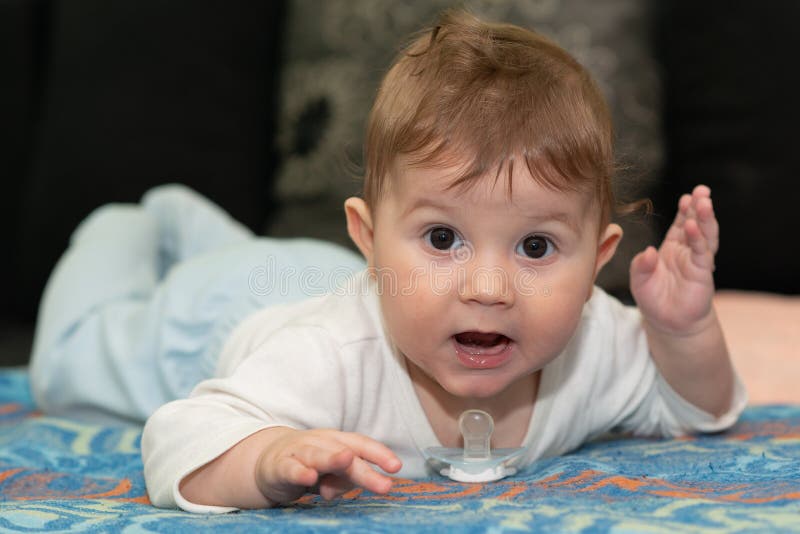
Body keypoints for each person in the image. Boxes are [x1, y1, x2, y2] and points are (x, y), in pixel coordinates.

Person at [31, 10, 746, 513]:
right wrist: (267, 457)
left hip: (335, 278)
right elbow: (178, 438)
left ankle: (194, 224)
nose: (488, 287)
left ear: (597, 262)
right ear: (369, 239)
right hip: (229, 310)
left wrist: (683, 332)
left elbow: (696, 409)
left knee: (258, 260)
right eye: (443, 237)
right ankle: (129, 224)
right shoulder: (326, 357)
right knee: (67, 363)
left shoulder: (592, 341)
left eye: (535, 247)